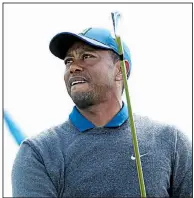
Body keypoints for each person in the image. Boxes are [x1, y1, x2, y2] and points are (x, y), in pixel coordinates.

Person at [12, 27, 192, 197]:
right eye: (69, 61)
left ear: (120, 70)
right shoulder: (38, 153)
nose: (73, 67)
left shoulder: (172, 142)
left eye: (87, 56)